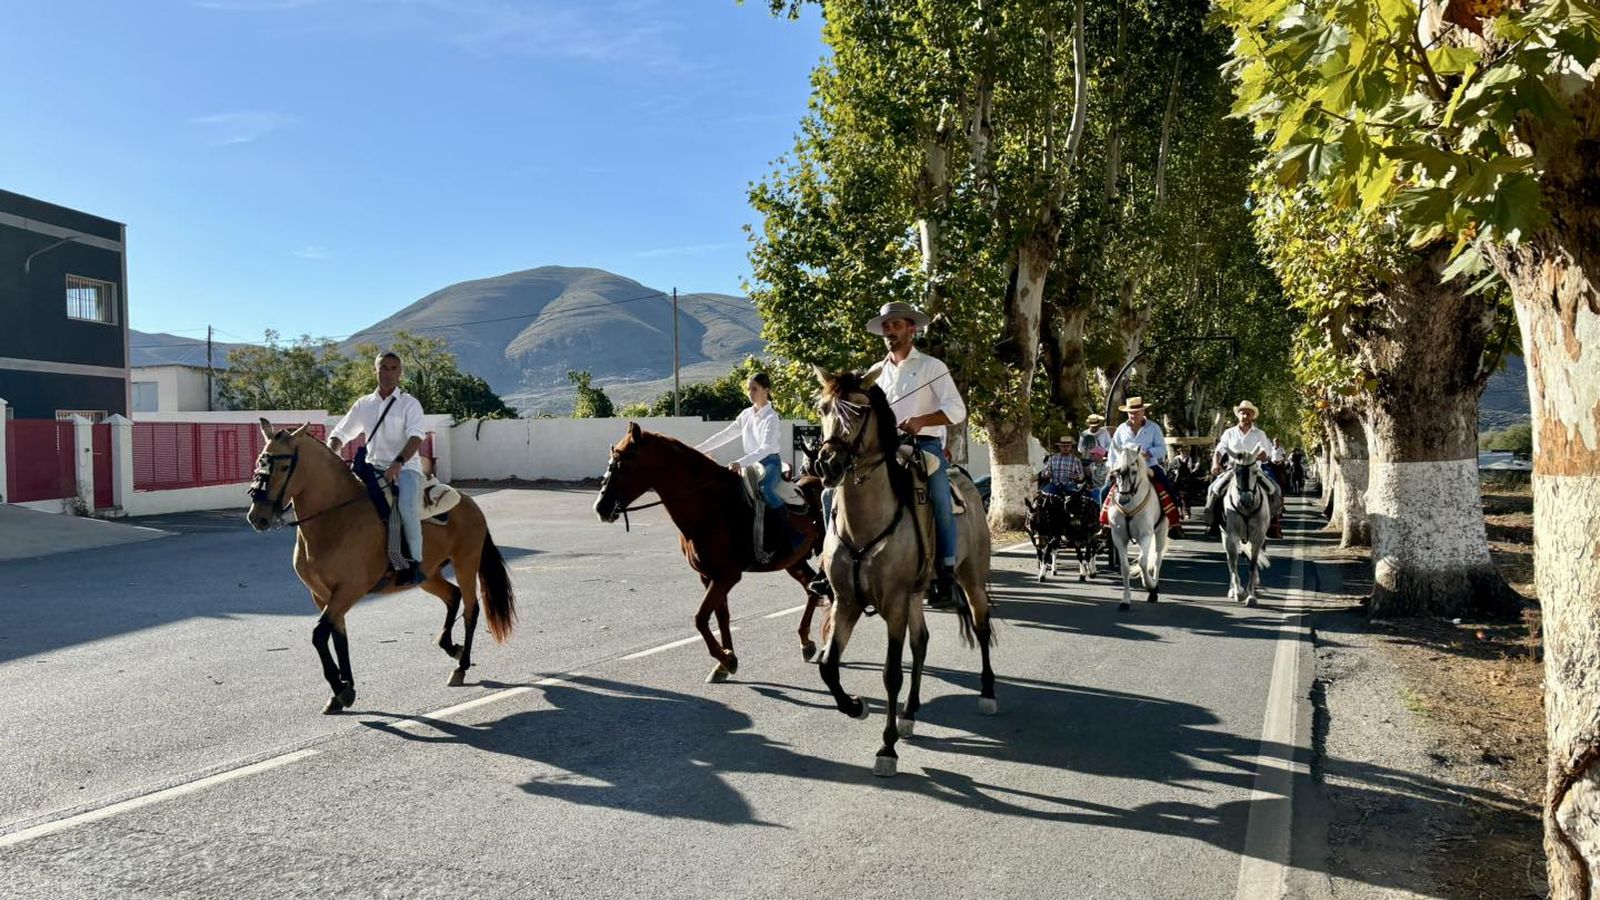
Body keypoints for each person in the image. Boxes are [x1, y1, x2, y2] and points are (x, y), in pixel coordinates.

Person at [865, 300, 968, 608]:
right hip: (884, 449)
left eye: (896, 325)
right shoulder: (874, 373)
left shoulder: (932, 366)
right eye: (886, 326)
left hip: (924, 445)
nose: (890, 331)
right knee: (834, 493)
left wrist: (923, 420)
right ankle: (835, 566)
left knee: (939, 500)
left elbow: (957, 410)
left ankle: (946, 572)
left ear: (912, 329)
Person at [328, 351, 428, 585]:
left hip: (406, 468)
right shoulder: (364, 404)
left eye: (394, 368)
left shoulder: (409, 404)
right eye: (384, 367)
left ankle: (415, 564)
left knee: (406, 509)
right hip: (372, 468)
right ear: (376, 370)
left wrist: (398, 463)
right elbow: (340, 433)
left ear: (400, 373)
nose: (389, 373)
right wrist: (332, 451)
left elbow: (416, 437)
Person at [695, 372, 790, 559]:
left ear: (766, 390)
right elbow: (725, 435)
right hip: (751, 464)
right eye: (748, 389)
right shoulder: (746, 414)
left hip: (769, 462)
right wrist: (696, 450)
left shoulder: (772, 417)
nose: (750, 393)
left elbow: (766, 448)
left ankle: (785, 534)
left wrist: (740, 462)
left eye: (754, 389)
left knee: (766, 490)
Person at [1204, 400, 1284, 540]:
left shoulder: (1259, 433)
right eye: (1243, 413)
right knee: (1213, 489)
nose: (1245, 416)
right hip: (1233, 470)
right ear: (1238, 415)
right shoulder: (1229, 433)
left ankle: (1273, 524)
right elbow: (1219, 450)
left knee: (1275, 489)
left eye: (1248, 413)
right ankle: (1213, 523)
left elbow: (1266, 453)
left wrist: (1259, 456)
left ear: (1252, 416)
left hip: (1254, 470)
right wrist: (1215, 464)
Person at [1106, 397, 1183, 537]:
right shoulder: (1121, 429)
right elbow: (1113, 451)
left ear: (1143, 411)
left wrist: (1148, 453)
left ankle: (1174, 523)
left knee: (1168, 488)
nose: (1133, 415)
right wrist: (1112, 467)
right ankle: (1105, 525)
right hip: (1125, 468)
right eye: (1130, 412)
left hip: (1149, 466)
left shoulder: (1153, 428)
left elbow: (1162, 449)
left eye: (1136, 412)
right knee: (1104, 490)